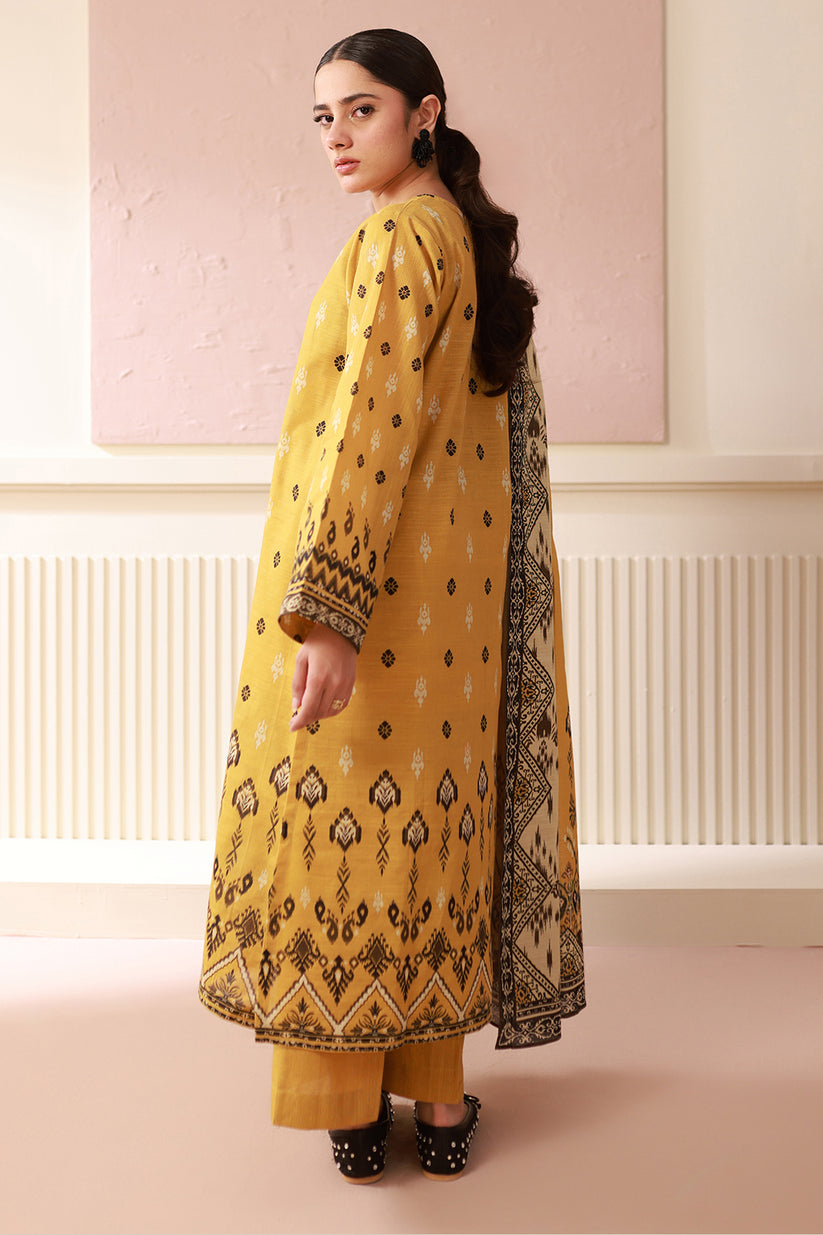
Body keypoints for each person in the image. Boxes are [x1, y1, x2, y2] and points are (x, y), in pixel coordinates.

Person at [199, 27, 585, 1183]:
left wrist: (327, 612)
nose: (335, 137)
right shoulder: (456, 236)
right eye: (321, 117)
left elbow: (368, 427)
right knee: (430, 836)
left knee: (341, 834)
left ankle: (348, 1099)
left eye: (358, 111)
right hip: (450, 627)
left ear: (423, 113)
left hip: (373, 602)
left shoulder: (392, 243)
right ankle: (441, 1095)